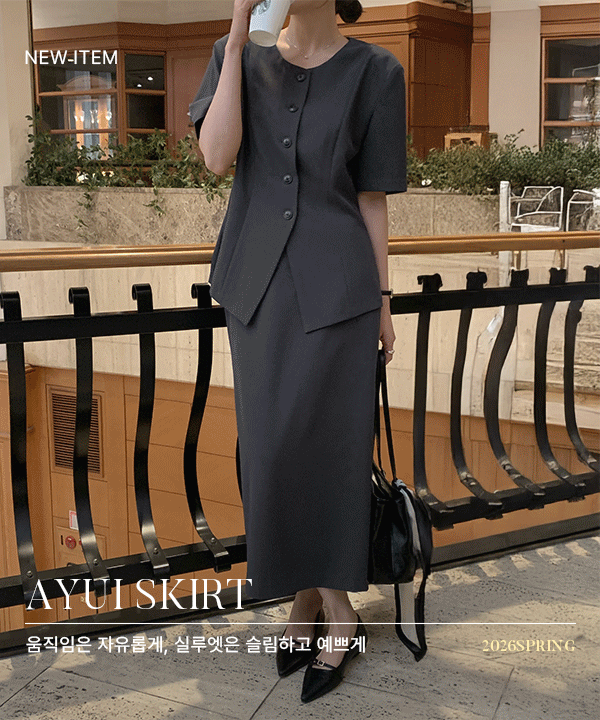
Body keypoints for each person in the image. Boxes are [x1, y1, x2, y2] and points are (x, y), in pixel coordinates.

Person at [189, 0, 406, 703]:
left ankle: (331, 609)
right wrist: (236, 31)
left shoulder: (377, 70)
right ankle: (313, 598)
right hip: (257, 291)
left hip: (340, 288)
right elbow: (216, 157)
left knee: (330, 454)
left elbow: (371, 197)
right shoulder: (236, 56)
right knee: (272, 452)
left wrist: (383, 298)